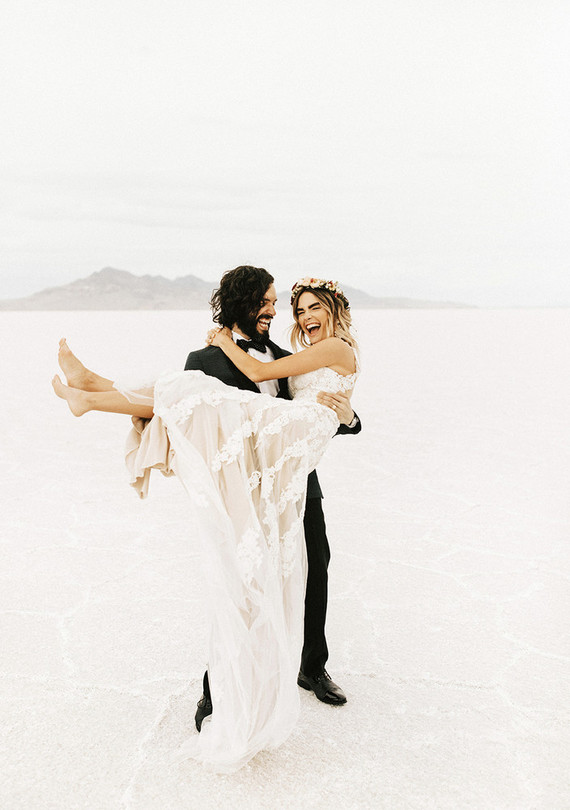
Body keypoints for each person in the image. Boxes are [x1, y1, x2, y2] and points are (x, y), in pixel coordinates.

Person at [52, 269, 360, 771]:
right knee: (239, 581)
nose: (281, 314)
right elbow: (181, 409)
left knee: (314, 567)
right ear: (241, 304)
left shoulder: (283, 355)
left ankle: (312, 667)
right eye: (273, 304)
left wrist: (348, 415)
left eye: (292, 306)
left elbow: (321, 399)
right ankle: (216, 693)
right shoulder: (205, 359)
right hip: (244, 488)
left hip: (293, 476)